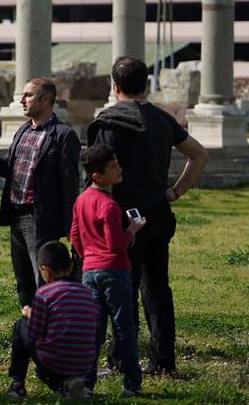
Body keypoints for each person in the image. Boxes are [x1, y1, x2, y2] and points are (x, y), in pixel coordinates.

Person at [87, 56, 209, 376]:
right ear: (146, 84)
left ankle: (120, 361)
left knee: (122, 293)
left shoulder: (108, 123)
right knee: (157, 291)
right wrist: (175, 191)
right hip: (157, 213)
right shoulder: (162, 119)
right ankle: (163, 362)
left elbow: (98, 176)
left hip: (125, 218)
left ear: (114, 87)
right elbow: (199, 155)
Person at [0, 77, 81, 307]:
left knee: (44, 279)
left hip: (41, 219)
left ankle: (49, 331)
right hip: (15, 216)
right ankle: (29, 329)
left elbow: (70, 185)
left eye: (27, 95)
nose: (21, 100)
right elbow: (11, 169)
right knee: (23, 281)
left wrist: (72, 227)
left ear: (45, 99)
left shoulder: (63, 135)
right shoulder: (22, 131)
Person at [70, 144, 145, 396]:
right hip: (114, 270)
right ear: (97, 176)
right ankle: (132, 382)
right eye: (113, 167)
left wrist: (87, 257)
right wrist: (132, 231)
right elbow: (115, 243)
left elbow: (74, 235)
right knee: (123, 326)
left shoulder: (81, 200)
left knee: (93, 329)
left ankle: (87, 382)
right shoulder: (109, 205)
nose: (119, 169)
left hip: (90, 270)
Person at [5, 241, 99, 403]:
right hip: (85, 363)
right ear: (71, 266)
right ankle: (71, 383)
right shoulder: (87, 293)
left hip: (54, 363)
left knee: (21, 325)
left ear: (45, 270)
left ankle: (17, 385)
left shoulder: (44, 293)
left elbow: (34, 333)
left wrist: (30, 314)